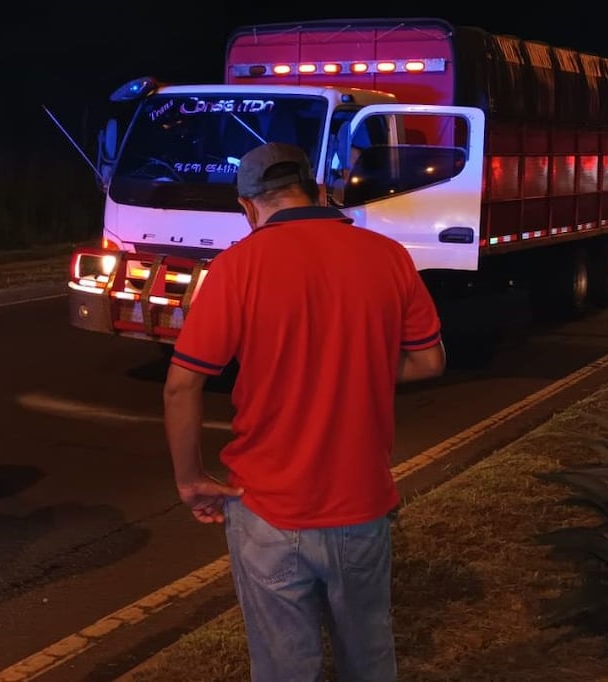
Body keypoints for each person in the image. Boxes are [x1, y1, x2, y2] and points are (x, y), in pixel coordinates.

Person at [163, 142, 446, 681]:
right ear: (316, 190)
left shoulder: (237, 266)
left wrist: (190, 478)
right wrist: (351, 368)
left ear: (247, 207)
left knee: (285, 667)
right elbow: (429, 361)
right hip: (362, 503)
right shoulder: (387, 255)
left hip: (267, 505)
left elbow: (182, 386)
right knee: (369, 654)